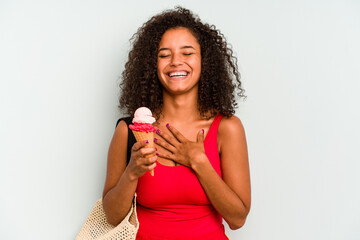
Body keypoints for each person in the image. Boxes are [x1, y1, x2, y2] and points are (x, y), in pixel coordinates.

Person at [102, 7, 251, 240]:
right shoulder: (128, 131)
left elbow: (238, 219)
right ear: (152, 64)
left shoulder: (227, 128)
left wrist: (199, 161)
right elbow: (111, 216)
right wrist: (132, 172)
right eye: (164, 55)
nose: (175, 62)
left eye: (187, 53)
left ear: (205, 60)